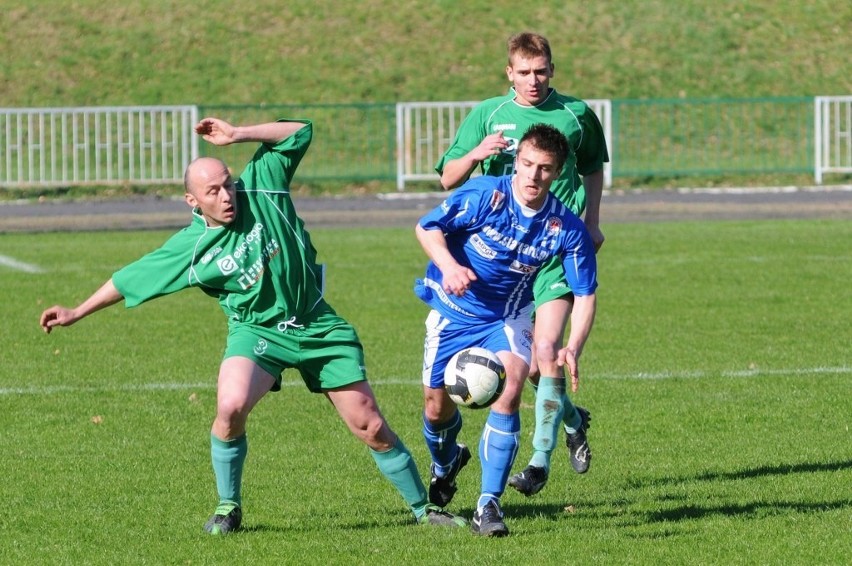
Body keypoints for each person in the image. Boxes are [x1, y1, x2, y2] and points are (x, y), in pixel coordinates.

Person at [39, 117, 466, 534]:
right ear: (193, 202)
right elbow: (130, 277)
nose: (227, 194)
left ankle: (423, 509)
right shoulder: (192, 248)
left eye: (227, 182)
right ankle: (228, 506)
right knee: (230, 406)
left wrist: (239, 134)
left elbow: (300, 131)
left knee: (370, 425)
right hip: (258, 333)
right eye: (213, 191)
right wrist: (78, 310)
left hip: (319, 326)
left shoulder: (261, 183)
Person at [434, 32, 609, 497]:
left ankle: (536, 463)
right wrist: (476, 153)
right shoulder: (488, 115)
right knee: (533, 370)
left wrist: (591, 220)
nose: (534, 81)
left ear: (552, 70)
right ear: (509, 72)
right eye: (524, 72)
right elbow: (448, 178)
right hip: (498, 263)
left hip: (552, 250)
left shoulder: (575, 115)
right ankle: (573, 421)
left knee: (546, 353)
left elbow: (594, 166)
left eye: (542, 71)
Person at [416, 123, 598, 536]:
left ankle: (488, 505)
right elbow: (427, 228)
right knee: (434, 407)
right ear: (516, 161)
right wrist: (449, 266)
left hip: (507, 317)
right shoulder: (486, 196)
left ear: (557, 173)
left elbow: (585, 294)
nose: (533, 176)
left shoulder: (566, 228)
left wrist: (574, 345)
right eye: (528, 164)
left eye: (545, 168)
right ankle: (446, 463)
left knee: (511, 390)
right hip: (452, 312)